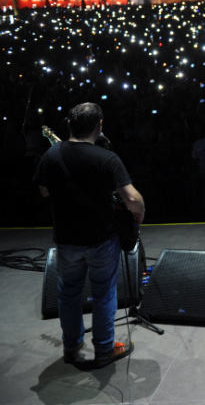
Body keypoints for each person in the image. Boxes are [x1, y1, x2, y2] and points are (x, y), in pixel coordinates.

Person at [34, 103, 145, 368]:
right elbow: (132, 198)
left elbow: (44, 192)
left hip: (66, 238)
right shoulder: (106, 158)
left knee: (68, 294)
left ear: (69, 125)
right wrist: (137, 218)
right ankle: (104, 350)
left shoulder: (51, 155)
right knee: (104, 293)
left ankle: (71, 348)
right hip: (100, 238)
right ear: (100, 126)